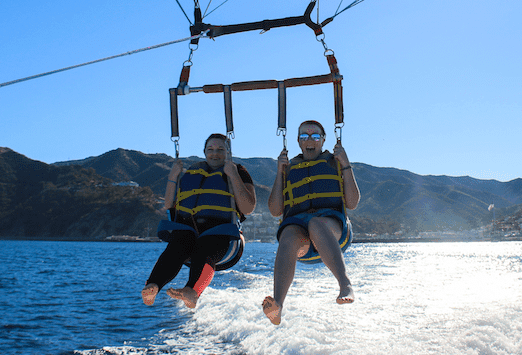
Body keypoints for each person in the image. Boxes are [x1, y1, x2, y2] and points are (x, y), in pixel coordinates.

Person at [262, 120, 360, 325]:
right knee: (287, 236)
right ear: (297, 141)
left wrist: (346, 164)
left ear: (323, 140)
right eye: (304, 136)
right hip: (300, 236)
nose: (310, 140)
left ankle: (345, 284)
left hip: (333, 230)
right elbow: (274, 210)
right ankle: (278, 304)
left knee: (316, 223)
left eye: (315, 136)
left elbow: (352, 202)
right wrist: (279, 173)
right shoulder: (289, 168)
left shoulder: (334, 162)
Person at [142, 133, 256, 309]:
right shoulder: (193, 171)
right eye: (210, 149)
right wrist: (173, 176)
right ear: (204, 152)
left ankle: (192, 291)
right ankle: (153, 285)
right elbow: (168, 204)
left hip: (221, 231)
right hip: (188, 228)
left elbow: (248, 208)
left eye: (220, 149)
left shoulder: (238, 170)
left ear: (228, 152)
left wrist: (233, 175)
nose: (215, 153)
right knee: (176, 248)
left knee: (204, 248)